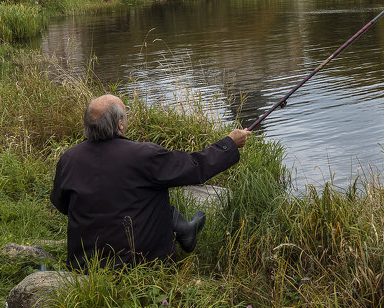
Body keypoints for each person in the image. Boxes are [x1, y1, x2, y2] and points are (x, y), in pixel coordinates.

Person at [50, 94, 251, 270]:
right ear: (120, 124)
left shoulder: (69, 158)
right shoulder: (142, 155)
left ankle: (183, 229)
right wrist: (229, 144)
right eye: (125, 113)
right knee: (153, 190)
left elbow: (60, 203)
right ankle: (183, 230)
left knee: (136, 193)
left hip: (85, 265)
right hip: (139, 263)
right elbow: (194, 167)